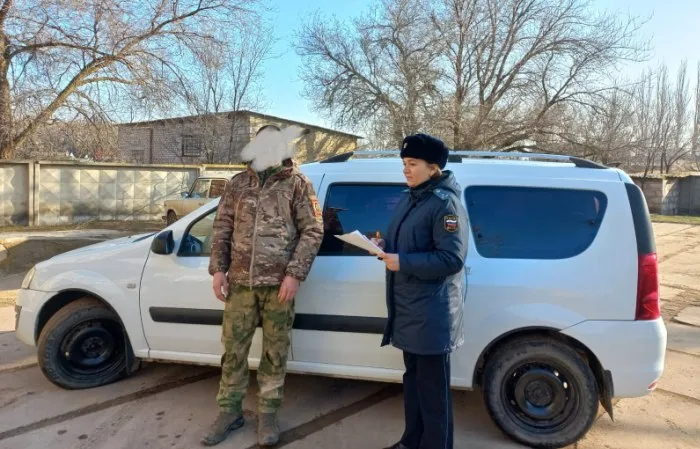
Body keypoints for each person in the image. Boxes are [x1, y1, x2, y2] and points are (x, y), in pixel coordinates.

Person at [202, 124, 324, 447]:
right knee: (233, 352)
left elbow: (312, 231)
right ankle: (229, 411)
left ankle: (268, 414)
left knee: (274, 353)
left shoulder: (297, 185)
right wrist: (218, 270)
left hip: (278, 286)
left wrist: (294, 274)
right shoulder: (237, 184)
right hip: (240, 283)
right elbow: (222, 227)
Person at [376, 133, 468, 449]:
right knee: (413, 383)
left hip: (431, 314)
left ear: (433, 168)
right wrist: (382, 247)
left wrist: (403, 261)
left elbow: (451, 258)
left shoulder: (445, 204)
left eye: (412, 163)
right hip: (409, 309)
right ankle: (410, 441)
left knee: (433, 394)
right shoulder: (411, 197)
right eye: (404, 163)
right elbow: (408, 242)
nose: (405, 169)